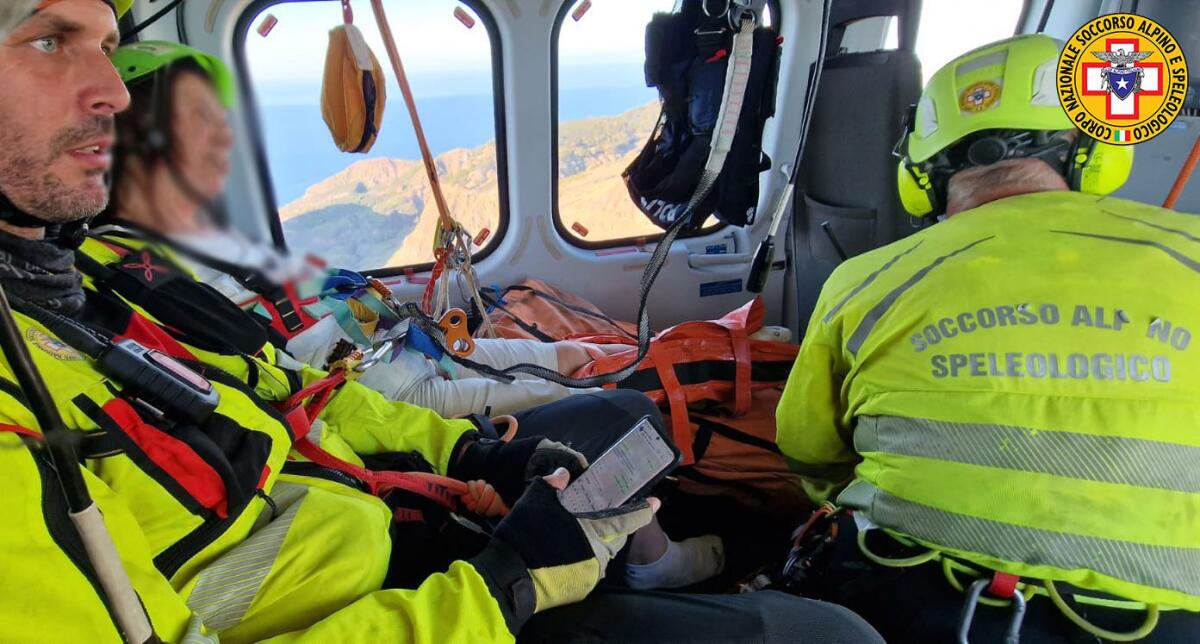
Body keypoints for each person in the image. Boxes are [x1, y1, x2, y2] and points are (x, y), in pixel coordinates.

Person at [0, 3, 884, 642]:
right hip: (403, 605)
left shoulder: (108, 278)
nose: (109, 91)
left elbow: (300, 392)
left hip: (387, 528)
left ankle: (637, 567)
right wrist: (503, 588)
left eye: (110, 48)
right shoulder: (21, 405)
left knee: (616, 424)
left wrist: (462, 453)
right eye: (48, 40)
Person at [776, 34, 1200, 642]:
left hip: (910, 593)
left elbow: (811, 455)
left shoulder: (865, 281)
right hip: (1161, 620)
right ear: (1096, 153)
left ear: (919, 177)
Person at [94, 46, 620, 419]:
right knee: (622, 399)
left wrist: (557, 361)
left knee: (592, 356)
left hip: (426, 362)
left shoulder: (213, 246)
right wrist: (556, 389)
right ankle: (653, 564)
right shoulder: (154, 278)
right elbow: (367, 402)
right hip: (415, 411)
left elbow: (414, 351)